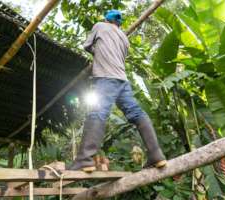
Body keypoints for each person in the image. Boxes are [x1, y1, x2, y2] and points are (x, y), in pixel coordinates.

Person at [68, 10, 167, 172]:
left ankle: (85, 159)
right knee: (136, 113)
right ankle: (156, 154)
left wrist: (97, 53)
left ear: (106, 19)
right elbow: (120, 57)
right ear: (119, 23)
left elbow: (87, 46)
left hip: (106, 78)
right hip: (122, 81)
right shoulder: (124, 38)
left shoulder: (99, 26)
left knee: (97, 113)